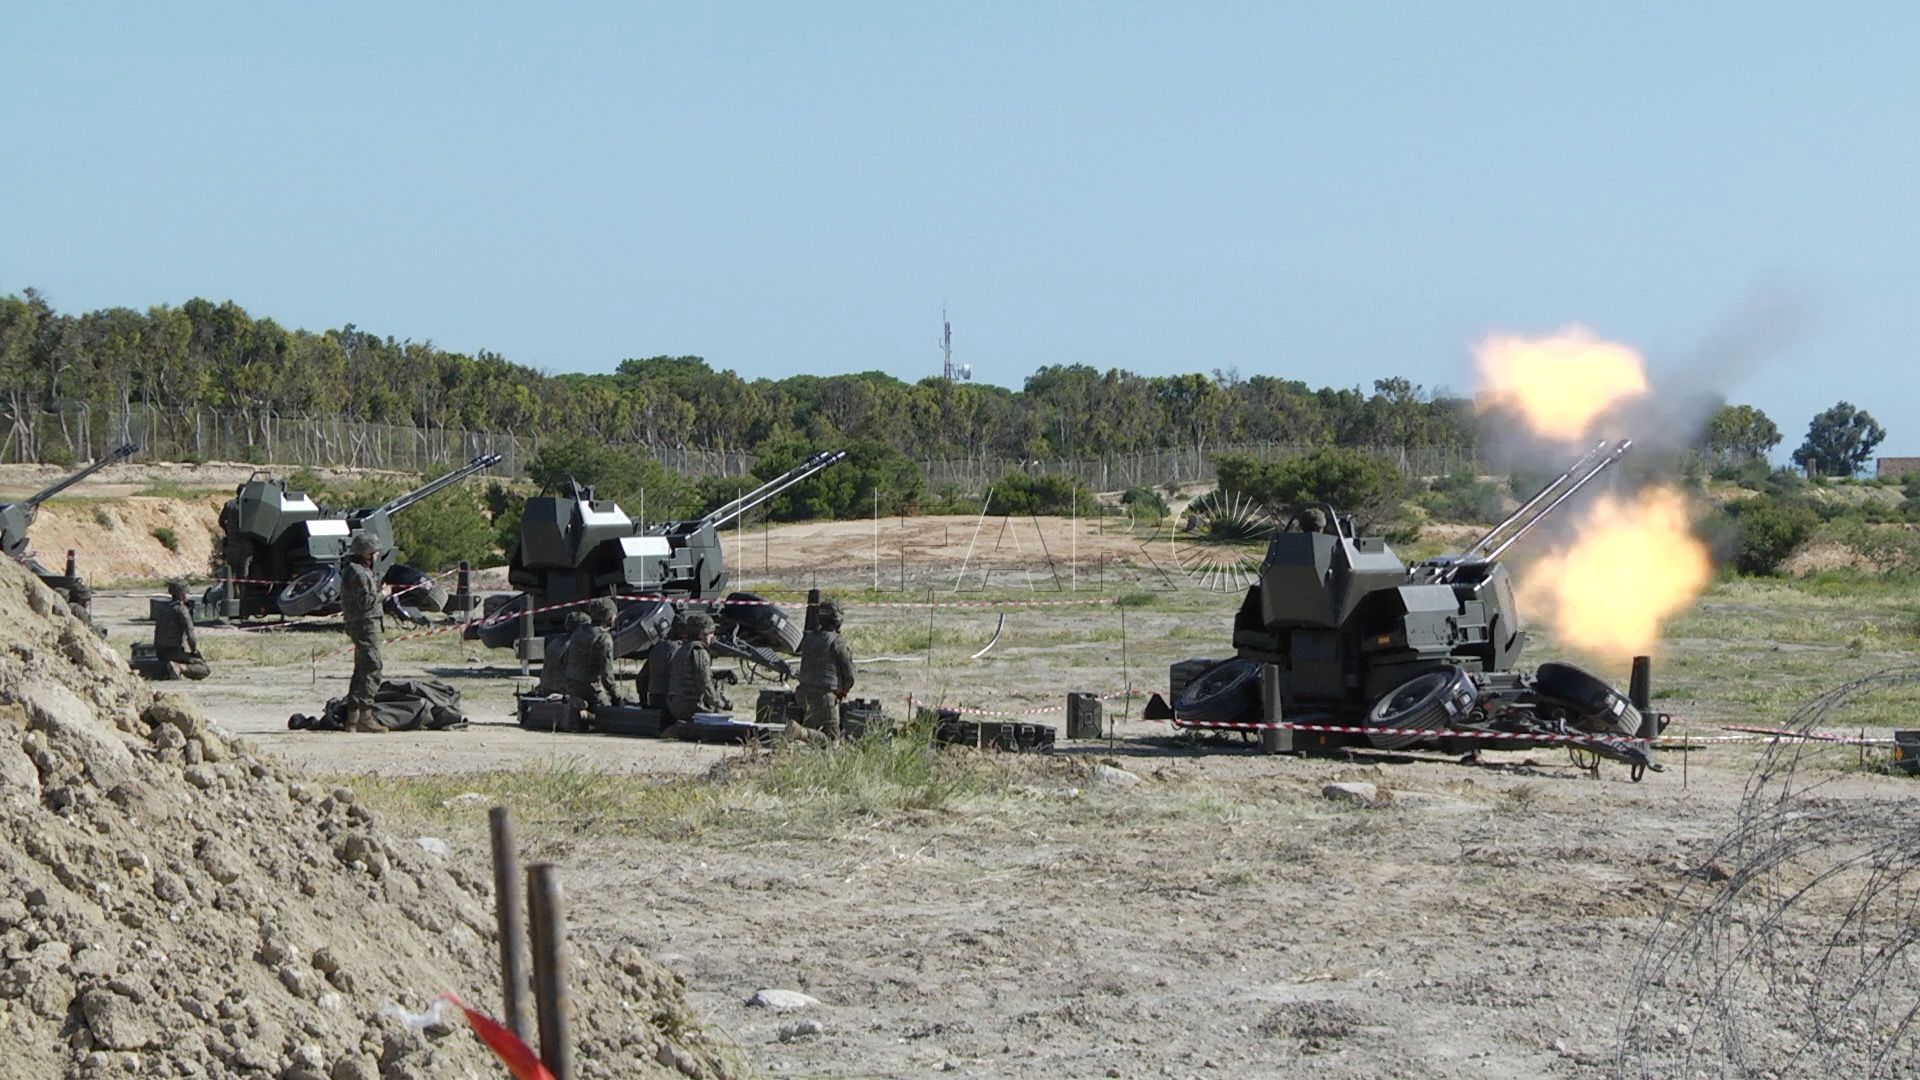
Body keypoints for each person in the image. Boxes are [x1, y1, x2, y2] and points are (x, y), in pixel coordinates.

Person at [341, 532, 385, 733]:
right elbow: (365, 602)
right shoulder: (358, 573)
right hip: (364, 624)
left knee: (361, 668)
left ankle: (353, 717)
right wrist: (384, 594)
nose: (377, 556)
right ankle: (365, 717)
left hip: (363, 623)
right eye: (374, 552)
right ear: (366, 553)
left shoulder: (358, 570)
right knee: (372, 666)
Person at [795, 599, 856, 739]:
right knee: (832, 739)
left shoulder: (808, 638)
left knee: (813, 735)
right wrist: (843, 691)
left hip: (803, 693)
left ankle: (802, 733)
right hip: (825, 696)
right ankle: (799, 732)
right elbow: (849, 675)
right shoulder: (837, 641)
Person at [666, 612, 731, 723]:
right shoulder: (699, 651)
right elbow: (704, 682)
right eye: (711, 633)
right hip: (692, 707)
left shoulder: (682, 649)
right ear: (702, 634)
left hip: (675, 705)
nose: (713, 636)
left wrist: (722, 674)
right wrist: (721, 703)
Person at [564, 597, 621, 710]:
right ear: (608, 616)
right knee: (609, 713)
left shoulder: (579, 631)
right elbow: (607, 676)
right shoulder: (604, 639)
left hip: (571, 685)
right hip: (591, 688)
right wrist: (616, 697)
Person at [151, 579, 210, 680]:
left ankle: (174, 668)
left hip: (160, 652)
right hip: (174, 651)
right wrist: (194, 650)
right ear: (183, 594)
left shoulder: (163, 609)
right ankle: (179, 667)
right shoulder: (182, 610)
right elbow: (190, 635)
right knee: (204, 668)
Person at [641, 611, 687, 708]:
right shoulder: (677, 648)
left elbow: (642, 678)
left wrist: (643, 703)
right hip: (671, 700)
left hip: (655, 698)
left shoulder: (658, 646)